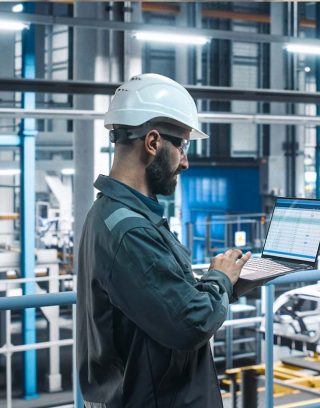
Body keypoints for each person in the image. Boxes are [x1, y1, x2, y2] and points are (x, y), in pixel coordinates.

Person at [76, 73, 251, 407]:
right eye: (182, 146)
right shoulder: (130, 231)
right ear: (153, 142)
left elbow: (161, 300)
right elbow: (191, 323)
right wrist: (218, 278)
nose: (185, 161)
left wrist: (229, 283)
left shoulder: (116, 215)